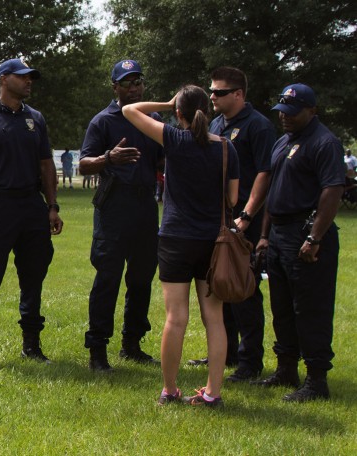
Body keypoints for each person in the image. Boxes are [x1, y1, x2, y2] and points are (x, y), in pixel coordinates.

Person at [123, 85, 239, 407]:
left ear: (178, 113)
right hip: (212, 243)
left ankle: (169, 390)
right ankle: (213, 393)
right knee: (214, 319)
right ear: (209, 110)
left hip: (175, 239)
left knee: (176, 318)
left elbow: (129, 111)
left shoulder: (173, 139)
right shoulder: (227, 148)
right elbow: (232, 198)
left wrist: (165, 101)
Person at [0, 58, 63, 375]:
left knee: (34, 276)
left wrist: (52, 205)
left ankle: (31, 344)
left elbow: (47, 165)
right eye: (23, 77)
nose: (29, 81)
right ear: (4, 80)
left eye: (31, 77)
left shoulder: (36, 119)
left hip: (31, 206)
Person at [252, 84, 344, 402]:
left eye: (292, 113)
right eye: (282, 113)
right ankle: (286, 369)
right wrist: (264, 236)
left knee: (310, 309)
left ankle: (316, 380)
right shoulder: (283, 143)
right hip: (278, 233)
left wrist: (314, 238)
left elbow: (332, 191)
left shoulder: (324, 143)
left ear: (312, 111)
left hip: (305, 234)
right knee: (282, 308)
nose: (285, 119)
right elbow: (272, 193)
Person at [187, 67, 276, 382]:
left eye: (219, 92)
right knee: (219, 286)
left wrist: (247, 215)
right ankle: (222, 354)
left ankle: (250, 362)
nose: (212, 96)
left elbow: (265, 174)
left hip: (243, 222)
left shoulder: (258, 126)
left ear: (238, 94)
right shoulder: (213, 124)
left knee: (243, 288)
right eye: (211, 91)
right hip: (218, 219)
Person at [79, 59, 163, 371]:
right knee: (108, 279)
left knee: (141, 278)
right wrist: (108, 157)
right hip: (114, 206)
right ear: (115, 87)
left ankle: (132, 343)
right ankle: (97, 349)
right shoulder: (103, 121)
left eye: (137, 81)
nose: (133, 87)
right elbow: (84, 164)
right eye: (126, 82)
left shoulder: (151, 120)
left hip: (144, 206)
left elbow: (165, 159)